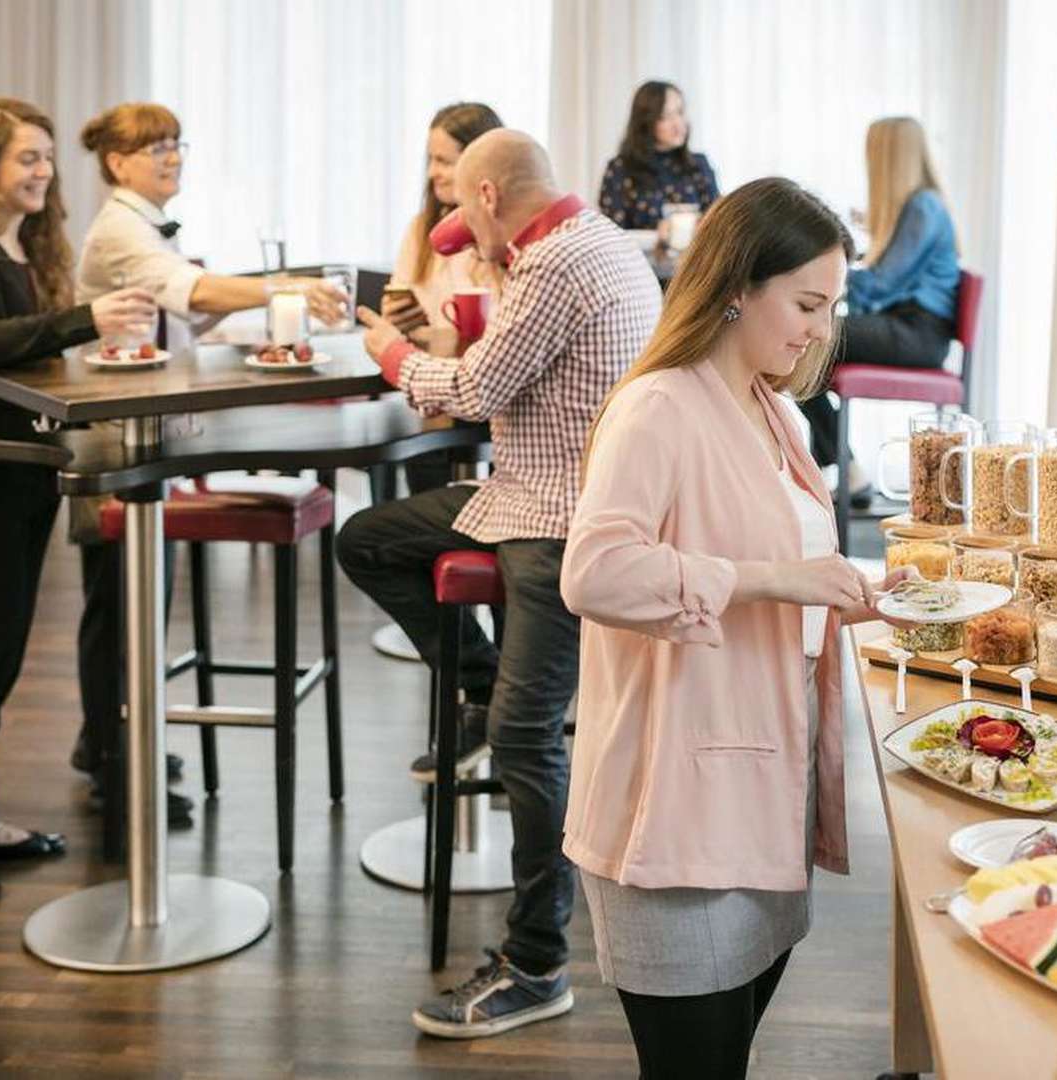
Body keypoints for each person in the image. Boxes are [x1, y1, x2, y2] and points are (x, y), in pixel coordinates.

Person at [559, 177, 912, 1077]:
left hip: (761, 789)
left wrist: (855, 589)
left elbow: (784, 564)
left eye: (829, 308)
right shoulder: (658, 409)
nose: (817, 331)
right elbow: (594, 573)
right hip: (677, 806)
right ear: (734, 287)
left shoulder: (772, 411)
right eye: (804, 303)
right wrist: (772, 581)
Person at [341, 128, 661, 1037]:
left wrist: (390, 356)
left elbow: (477, 392)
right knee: (368, 541)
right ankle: (478, 689)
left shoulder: (554, 262)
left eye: (457, 199)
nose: (451, 220)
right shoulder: (592, 238)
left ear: (484, 196)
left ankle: (536, 962)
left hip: (560, 516)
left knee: (529, 737)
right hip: (522, 489)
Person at [69, 102, 345, 827]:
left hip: (145, 431)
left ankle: (106, 741)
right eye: (153, 147)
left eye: (175, 144)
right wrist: (286, 288)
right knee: (121, 602)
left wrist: (256, 306)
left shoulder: (147, 225)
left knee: (131, 599)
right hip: (110, 436)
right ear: (117, 162)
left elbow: (190, 313)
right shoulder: (121, 228)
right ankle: (114, 763)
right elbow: (190, 293)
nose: (172, 157)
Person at [0, 98, 157, 901]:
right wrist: (82, 320)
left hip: (19, 472)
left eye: (44, 158)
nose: (41, 171)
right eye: (26, 158)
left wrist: (88, 335)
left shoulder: (17, 246)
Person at [798, 116, 961, 491]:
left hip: (917, 333)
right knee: (807, 357)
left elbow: (880, 283)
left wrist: (818, 275)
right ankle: (845, 468)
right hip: (911, 329)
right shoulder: (921, 207)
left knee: (806, 340)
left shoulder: (923, 208)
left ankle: (844, 468)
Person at [383, 101, 503, 497]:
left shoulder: (501, 233)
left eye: (446, 161)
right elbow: (407, 308)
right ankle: (430, 528)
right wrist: (399, 319)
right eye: (430, 160)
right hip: (437, 388)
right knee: (420, 429)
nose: (434, 172)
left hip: (493, 385)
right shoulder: (421, 230)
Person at [598, 80, 719, 235]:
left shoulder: (698, 164)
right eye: (665, 116)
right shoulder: (619, 169)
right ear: (646, 121)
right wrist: (657, 235)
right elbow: (613, 235)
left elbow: (718, 223)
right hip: (639, 257)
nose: (678, 124)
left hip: (695, 257)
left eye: (680, 112)